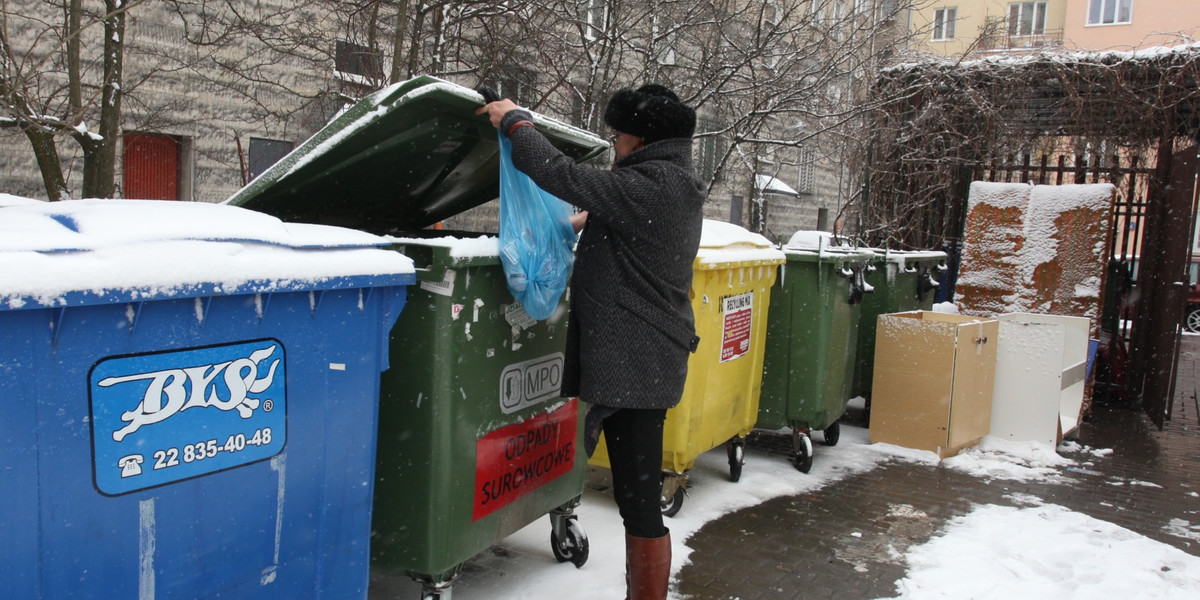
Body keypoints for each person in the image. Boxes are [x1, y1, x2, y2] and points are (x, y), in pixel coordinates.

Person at [477, 85, 704, 600]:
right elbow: (627, 224)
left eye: (620, 134)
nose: (615, 143)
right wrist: (586, 221)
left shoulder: (654, 184)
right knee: (635, 492)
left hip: (638, 363)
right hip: (644, 355)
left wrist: (516, 121)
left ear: (641, 139)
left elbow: (563, 175)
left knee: (637, 497)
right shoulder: (671, 179)